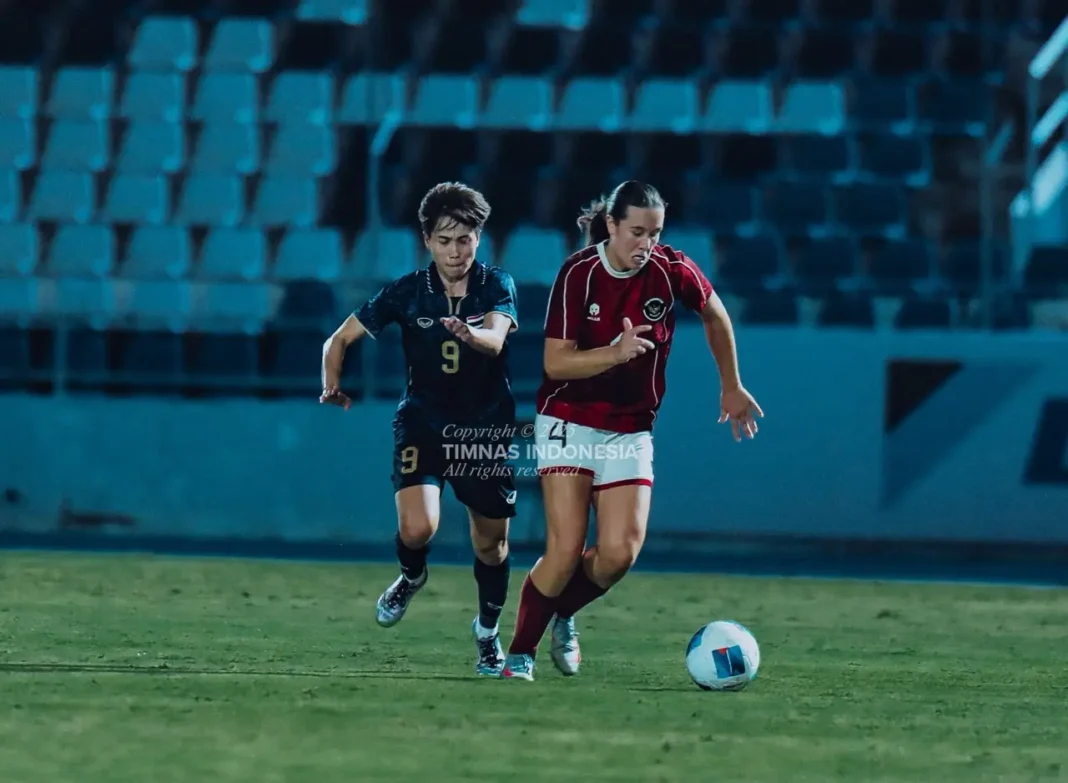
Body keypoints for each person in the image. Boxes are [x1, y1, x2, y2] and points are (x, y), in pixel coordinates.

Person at [499, 180, 764, 681]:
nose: (647, 243)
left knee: (619, 554)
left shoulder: (671, 269)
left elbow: (715, 314)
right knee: (565, 550)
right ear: (611, 226)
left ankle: (562, 613)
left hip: (630, 429)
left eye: (655, 233)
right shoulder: (579, 273)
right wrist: (614, 354)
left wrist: (731, 385)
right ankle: (518, 655)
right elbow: (556, 363)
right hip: (569, 420)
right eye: (637, 232)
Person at [320, 182, 520, 676]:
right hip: (423, 422)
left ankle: (487, 633)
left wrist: (470, 333)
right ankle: (411, 576)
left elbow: (496, 340)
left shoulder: (496, 285)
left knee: (490, 544)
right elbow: (338, 339)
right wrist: (331, 384)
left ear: (478, 239)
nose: (455, 251)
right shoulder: (407, 291)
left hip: (483, 429)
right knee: (417, 527)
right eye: (445, 240)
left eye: (465, 240)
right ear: (427, 240)